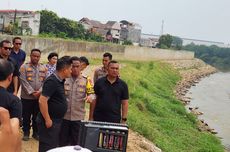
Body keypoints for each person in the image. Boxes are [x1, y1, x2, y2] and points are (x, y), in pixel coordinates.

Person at [37, 56, 72, 152]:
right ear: (64, 70)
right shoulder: (52, 81)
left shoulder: (59, 81)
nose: (71, 71)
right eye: (70, 69)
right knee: (47, 147)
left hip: (55, 120)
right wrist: (48, 120)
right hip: (49, 122)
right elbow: (42, 100)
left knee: (52, 146)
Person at [59, 56, 95, 146]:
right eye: (73, 66)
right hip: (64, 116)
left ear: (81, 66)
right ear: (70, 66)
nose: (75, 69)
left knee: (76, 142)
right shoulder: (64, 78)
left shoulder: (87, 80)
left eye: (77, 66)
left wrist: (90, 97)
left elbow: (92, 94)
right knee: (62, 141)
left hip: (78, 117)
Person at [19, 49, 47, 141]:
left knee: (37, 117)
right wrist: (32, 92)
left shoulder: (44, 68)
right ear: (30, 56)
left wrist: (39, 92)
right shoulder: (24, 67)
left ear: (40, 57)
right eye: (34, 56)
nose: (36, 58)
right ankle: (26, 132)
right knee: (26, 116)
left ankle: (36, 133)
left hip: (39, 98)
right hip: (26, 97)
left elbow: (46, 82)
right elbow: (23, 81)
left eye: (38, 56)